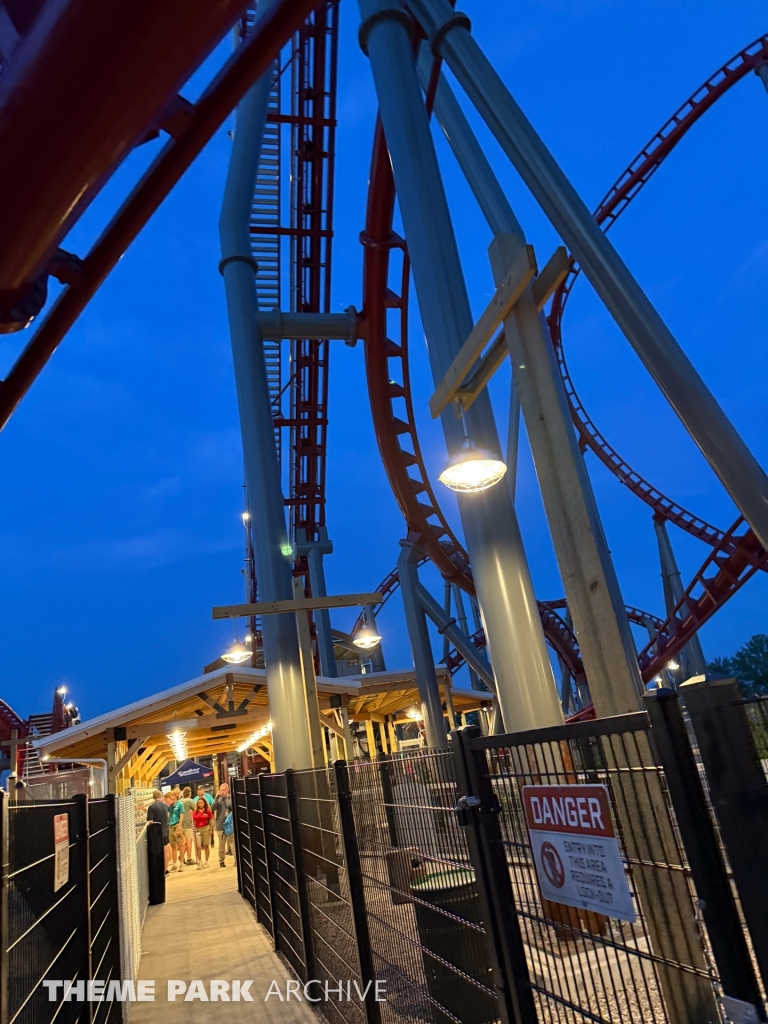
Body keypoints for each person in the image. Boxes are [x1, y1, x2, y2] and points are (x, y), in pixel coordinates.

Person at [146, 789, 170, 873]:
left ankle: (160, 870)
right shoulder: (165, 805)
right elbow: (168, 816)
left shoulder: (151, 807)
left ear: (153, 797)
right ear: (161, 796)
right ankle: (166, 868)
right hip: (165, 830)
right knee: (166, 849)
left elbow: (151, 821)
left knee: (159, 852)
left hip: (157, 834)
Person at [211, 783, 235, 867]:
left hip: (230, 825)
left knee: (232, 844)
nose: (222, 792)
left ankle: (236, 861)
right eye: (221, 790)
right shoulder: (218, 799)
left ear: (227, 789)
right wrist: (216, 797)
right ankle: (221, 861)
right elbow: (212, 808)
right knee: (221, 845)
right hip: (220, 825)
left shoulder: (231, 798)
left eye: (224, 790)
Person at [166, 789, 185, 872]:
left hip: (177, 825)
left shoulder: (180, 804)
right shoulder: (170, 806)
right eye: (170, 796)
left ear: (176, 796)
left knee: (180, 845)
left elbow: (182, 815)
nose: (171, 797)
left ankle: (181, 863)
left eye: (172, 795)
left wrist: (179, 826)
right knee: (173, 846)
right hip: (171, 826)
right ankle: (174, 863)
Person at [192, 796, 213, 868]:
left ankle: (206, 861)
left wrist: (211, 830)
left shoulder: (207, 811)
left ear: (204, 803)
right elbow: (193, 821)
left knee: (206, 845)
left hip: (206, 828)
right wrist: (193, 830)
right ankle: (200, 862)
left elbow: (211, 820)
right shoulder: (195, 812)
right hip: (198, 830)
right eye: (199, 803)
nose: (200, 804)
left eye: (201, 803)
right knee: (198, 847)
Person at [181, 786, 195, 866]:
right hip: (188, 823)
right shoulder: (190, 801)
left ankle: (181, 857)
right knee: (189, 841)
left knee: (183, 842)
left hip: (180, 824)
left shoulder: (180, 801)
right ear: (189, 793)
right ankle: (189, 858)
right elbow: (196, 809)